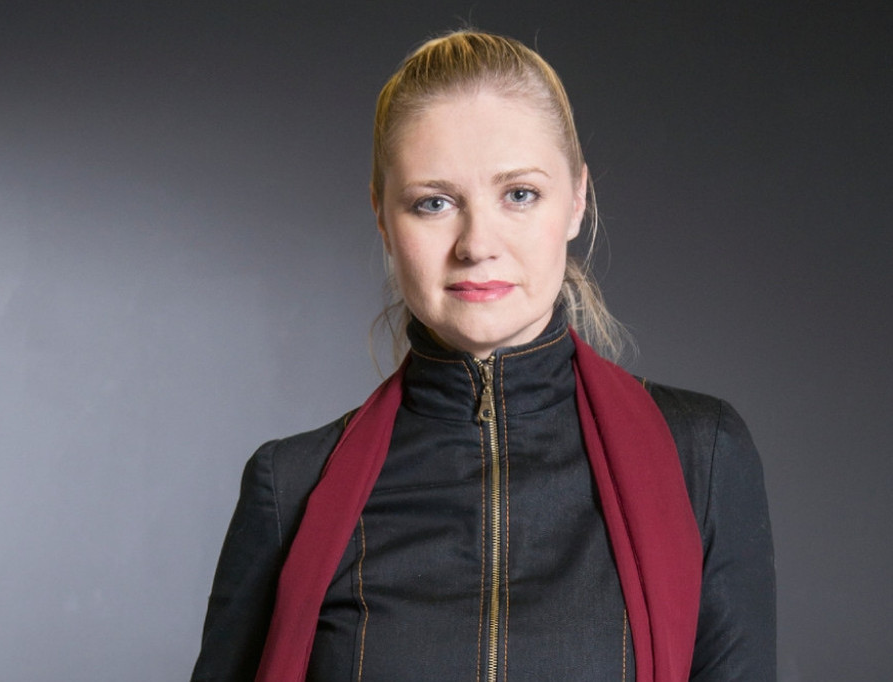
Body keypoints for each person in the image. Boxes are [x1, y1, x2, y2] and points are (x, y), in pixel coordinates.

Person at [191, 30, 775, 682]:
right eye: (434, 203)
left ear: (576, 200)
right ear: (383, 217)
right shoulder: (289, 487)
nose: (476, 244)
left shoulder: (702, 455)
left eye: (519, 194)